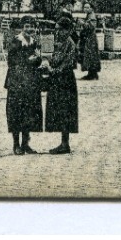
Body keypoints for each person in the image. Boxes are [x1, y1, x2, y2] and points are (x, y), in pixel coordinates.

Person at [43, 12, 80, 154]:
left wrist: (51, 69)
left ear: (67, 30)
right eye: (56, 29)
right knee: (59, 110)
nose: (57, 32)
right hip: (58, 80)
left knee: (65, 111)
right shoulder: (59, 42)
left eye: (60, 29)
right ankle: (63, 143)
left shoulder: (70, 44)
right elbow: (53, 58)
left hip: (65, 80)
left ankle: (65, 144)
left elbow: (66, 64)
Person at [4, 25, 44, 155]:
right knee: (16, 111)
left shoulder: (34, 42)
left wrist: (38, 59)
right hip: (17, 82)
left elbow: (38, 62)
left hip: (30, 82)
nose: (29, 29)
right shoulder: (16, 41)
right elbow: (11, 61)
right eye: (27, 26)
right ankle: (16, 144)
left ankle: (25, 143)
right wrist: (27, 60)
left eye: (32, 27)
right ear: (22, 28)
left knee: (29, 112)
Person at [78, 10, 102, 81]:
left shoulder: (92, 16)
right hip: (89, 39)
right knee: (89, 56)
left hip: (91, 40)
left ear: (91, 8)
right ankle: (91, 73)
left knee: (91, 56)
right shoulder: (89, 15)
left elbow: (91, 27)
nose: (85, 8)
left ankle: (93, 74)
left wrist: (83, 23)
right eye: (84, 7)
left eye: (87, 7)